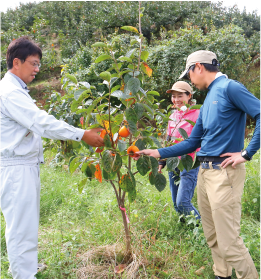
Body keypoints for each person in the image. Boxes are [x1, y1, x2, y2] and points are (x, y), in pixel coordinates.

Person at [135, 50, 261, 279]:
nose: (190, 80)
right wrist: (158, 152)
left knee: (229, 241)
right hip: (204, 171)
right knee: (212, 235)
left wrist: (246, 153)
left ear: (199, 68)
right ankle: (222, 274)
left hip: (224, 174)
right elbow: (193, 141)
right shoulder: (208, 100)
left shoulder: (230, 88)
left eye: (189, 74)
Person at [0, 37, 104, 279]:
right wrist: (81, 135)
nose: (38, 69)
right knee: (20, 228)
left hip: (22, 165)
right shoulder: (11, 93)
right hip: (16, 168)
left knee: (25, 224)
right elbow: (40, 122)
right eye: (34, 64)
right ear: (17, 62)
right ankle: (24, 276)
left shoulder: (15, 90)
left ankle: (27, 268)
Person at [158, 81, 200, 220]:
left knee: (183, 202)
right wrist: (162, 160)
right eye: (174, 96)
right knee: (176, 203)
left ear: (189, 96)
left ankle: (202, 230)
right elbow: (169, 139)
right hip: (173, 160)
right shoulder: (173, 115)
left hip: (190, 161)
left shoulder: (198, 114)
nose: (176, 100)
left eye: (180, 95)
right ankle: (187, 232)